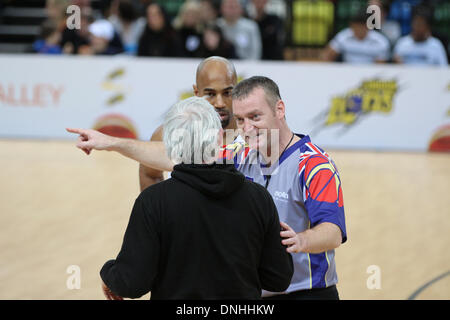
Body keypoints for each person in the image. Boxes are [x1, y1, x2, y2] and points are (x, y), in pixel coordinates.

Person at [67, 77, 348, 300]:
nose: (246, 128)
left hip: (307, 294)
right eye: (240, 120)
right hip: (259, 292)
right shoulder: (241, 151)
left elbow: (333, 232)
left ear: (280, 110)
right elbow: (179, 155)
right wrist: (112, 143)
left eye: (255, 117)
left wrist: (301, 241)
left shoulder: (314, 165)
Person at [99, 96, 294, 299]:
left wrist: (109, 274)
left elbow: (132, 284)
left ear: (171, 144)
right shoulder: (258, 198)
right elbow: (278, 279)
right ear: (219, 137)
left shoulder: (153, 201)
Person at [139, 56, 238, 191]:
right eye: (210, 94)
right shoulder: (168, 134)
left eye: (227, 93)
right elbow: (149, 173)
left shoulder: (253, 135)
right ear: (197, 92)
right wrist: (159, 209)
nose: (220, 103)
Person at [322, 10, 390, 63]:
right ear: (351, 25)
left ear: (369, 27)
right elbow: (327, 56)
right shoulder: (344, 36)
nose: (358, 30)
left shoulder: (380, 41)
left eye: (361, 27)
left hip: (370, 76)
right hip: (346, 73)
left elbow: (380, 65)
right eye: (355, 27)